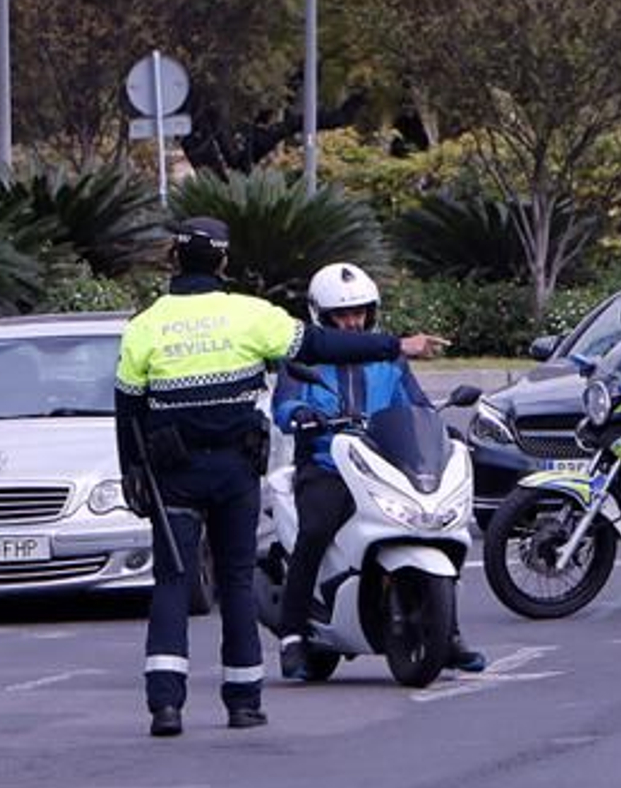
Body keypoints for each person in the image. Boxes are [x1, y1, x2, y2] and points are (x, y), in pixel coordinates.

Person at [115, 217, 448, 737]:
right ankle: (243, 702)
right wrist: (395, 346)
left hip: (173, 475)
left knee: (173, 583)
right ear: (223, 263)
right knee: (236, 581)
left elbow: (129, 410)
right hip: (233, 472)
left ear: (174, 260)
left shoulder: (144, 326)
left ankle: (166, 706)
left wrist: (132, 474)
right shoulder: (250, 315)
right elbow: (318, 346)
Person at [272, 262, 486, 680]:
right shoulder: (304, 355)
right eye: (342, 315)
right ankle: (293, 635)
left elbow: (417, 405)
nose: (353, 322)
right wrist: (300, 414)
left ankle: (450, 632)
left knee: (437, 525)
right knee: (314, 529)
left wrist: (441, 430)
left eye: (360, 313)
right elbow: (284, 403)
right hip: (327, 463)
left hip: (384, 463)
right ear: (322, 316)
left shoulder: (389, 361)